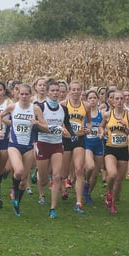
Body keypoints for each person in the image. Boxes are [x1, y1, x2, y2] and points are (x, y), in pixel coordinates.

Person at [0, 83, 49, 217]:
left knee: (24, 181)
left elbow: (46, 128)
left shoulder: (35, 109)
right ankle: (14, 189)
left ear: (31, 95)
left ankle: (17, 203)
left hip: (28, 147)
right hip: (14, 145)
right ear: (18, 94)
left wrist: (37, 124)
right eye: (22, 94)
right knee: (18, 171)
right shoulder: (13, 107)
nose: (24, 96)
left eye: (26, 94)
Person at [34, 80, 75, 219]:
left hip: (57, 145)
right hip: (43, 143)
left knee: (57, 176)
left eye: (57, 90)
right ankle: (41, 192)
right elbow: (35, 126)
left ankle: (53, 208)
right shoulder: (40, 107)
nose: (55, 93)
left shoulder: (63, 109)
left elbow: (68, 125)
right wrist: (53, 128)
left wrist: (72, 135)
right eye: (52, 90)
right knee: (44, 179)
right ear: (46, 91)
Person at [99, 90, 129, 214]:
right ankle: (108, 192)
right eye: (116, 99)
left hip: (123, 150)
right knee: (112, 174)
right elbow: (101, 126)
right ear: (112, 101)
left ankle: (112, 203)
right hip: (110, 148)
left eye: (121, 99)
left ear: (124, 100)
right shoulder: (107, 115)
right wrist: (102, 132)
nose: (119, 101)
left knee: (119, 180)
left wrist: (127, 128)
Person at [63, 80, 92, 215]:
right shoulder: (63, 104)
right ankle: (62, 186)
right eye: (73, 90)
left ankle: (78, 202)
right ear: (69, 91)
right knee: (63, 172)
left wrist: (88, 128)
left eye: (78, 89)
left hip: (79, 139)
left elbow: (90, 122)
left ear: (81, 91)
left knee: (79, 169)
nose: (75, 92)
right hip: (66, 139)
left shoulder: (86, 106)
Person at [83, 89, 103, 206]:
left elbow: (105, 126)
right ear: (87, 100)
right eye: (90, 98)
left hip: (98, 144)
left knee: (95, 174)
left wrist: (102, 132)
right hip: (87, 144)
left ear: (98, 100)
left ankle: (88, 194)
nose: (92, 100)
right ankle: (85, 182)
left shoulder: (102, 114)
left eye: (94, 98)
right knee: (90, 166)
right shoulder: (84, 113)